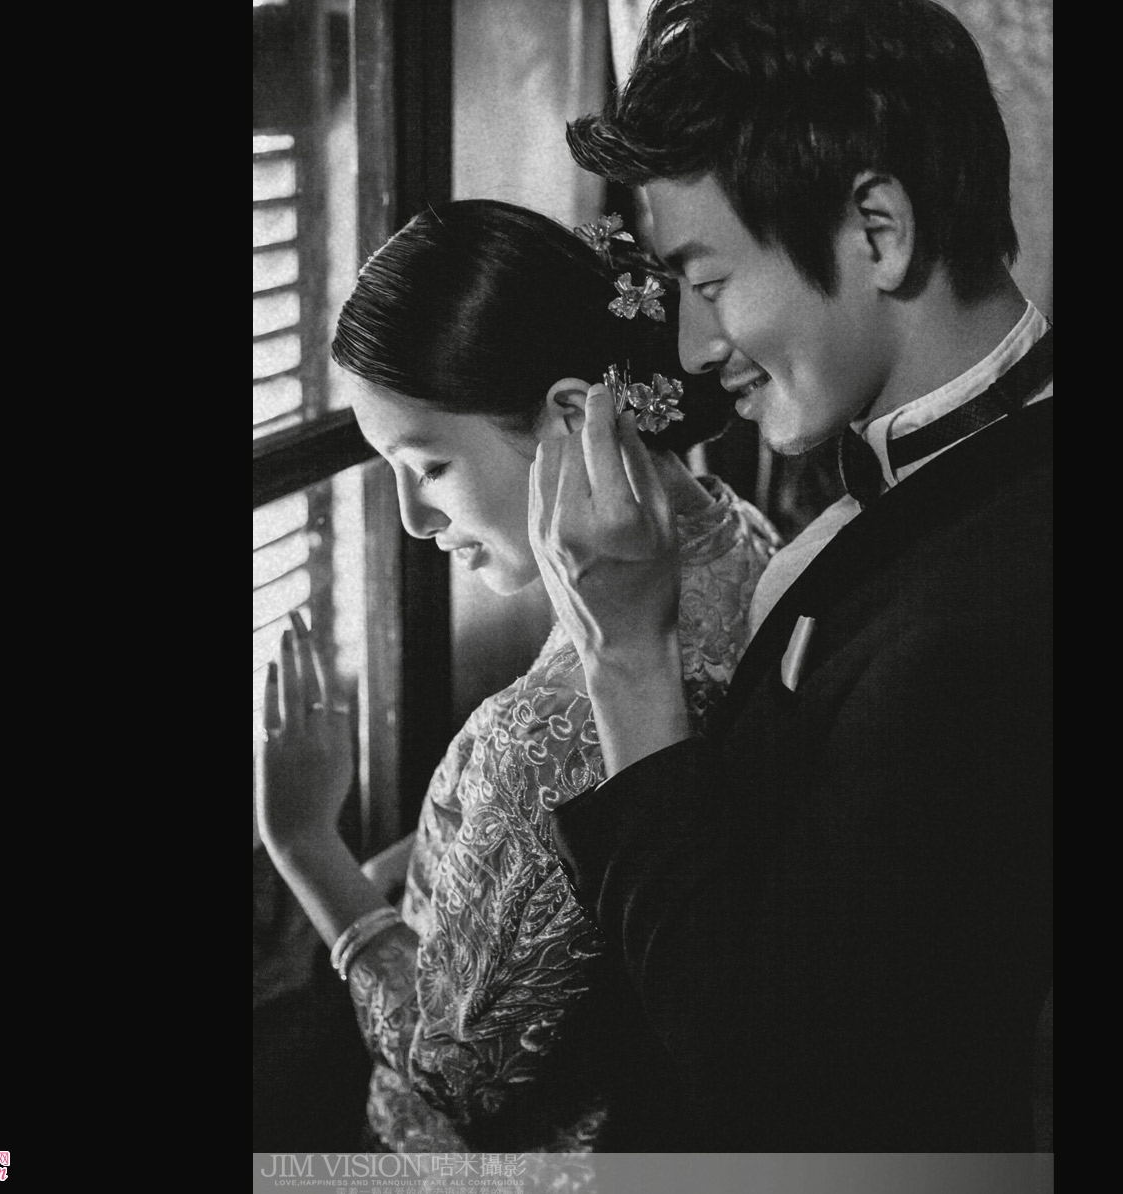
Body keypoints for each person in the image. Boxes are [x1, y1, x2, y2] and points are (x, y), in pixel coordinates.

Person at [528, 0, 1053, 1150]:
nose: (692, 349)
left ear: (877, 232)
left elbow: (787, 1100)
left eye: (708, 282)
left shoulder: (977, 627)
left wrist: (628, 657)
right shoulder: (958, 476)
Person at [255, 198, 778, 1153]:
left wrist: (303, 842)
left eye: (428, 467)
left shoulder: (547, 732)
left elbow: (455, 1072)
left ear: (571, 416)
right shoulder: (736, 530)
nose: (413, 520)